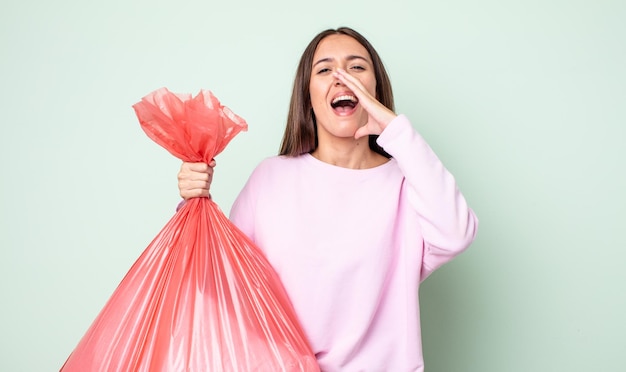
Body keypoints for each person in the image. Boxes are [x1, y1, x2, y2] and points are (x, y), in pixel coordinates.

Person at [177, 27, 478, 372]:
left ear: (376, 90)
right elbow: (218, 282)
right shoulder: (271, 179)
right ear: (307, 95)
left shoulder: (407, 185)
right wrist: (194, 202)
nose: (341, 78)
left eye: (357, 67)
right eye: (324, 70)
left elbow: (456, 235)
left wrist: (399, 133)